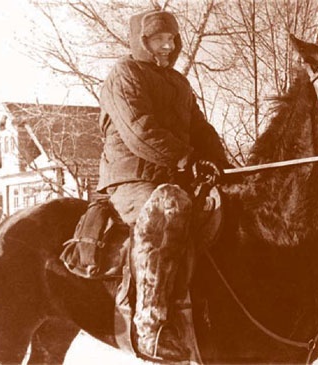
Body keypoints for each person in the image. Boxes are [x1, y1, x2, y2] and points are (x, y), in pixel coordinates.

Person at [96, 9, 229, 361]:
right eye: (159, 39)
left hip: (174, 176)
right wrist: (187, 159)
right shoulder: (123, 76)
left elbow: (201, 130)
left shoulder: (179, 83)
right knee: (167, 208)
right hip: (132, 179)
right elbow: (140, 131)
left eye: (172, 39)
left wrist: (227, 166)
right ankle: (150, 325)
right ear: (141, 41)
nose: (168, 46)